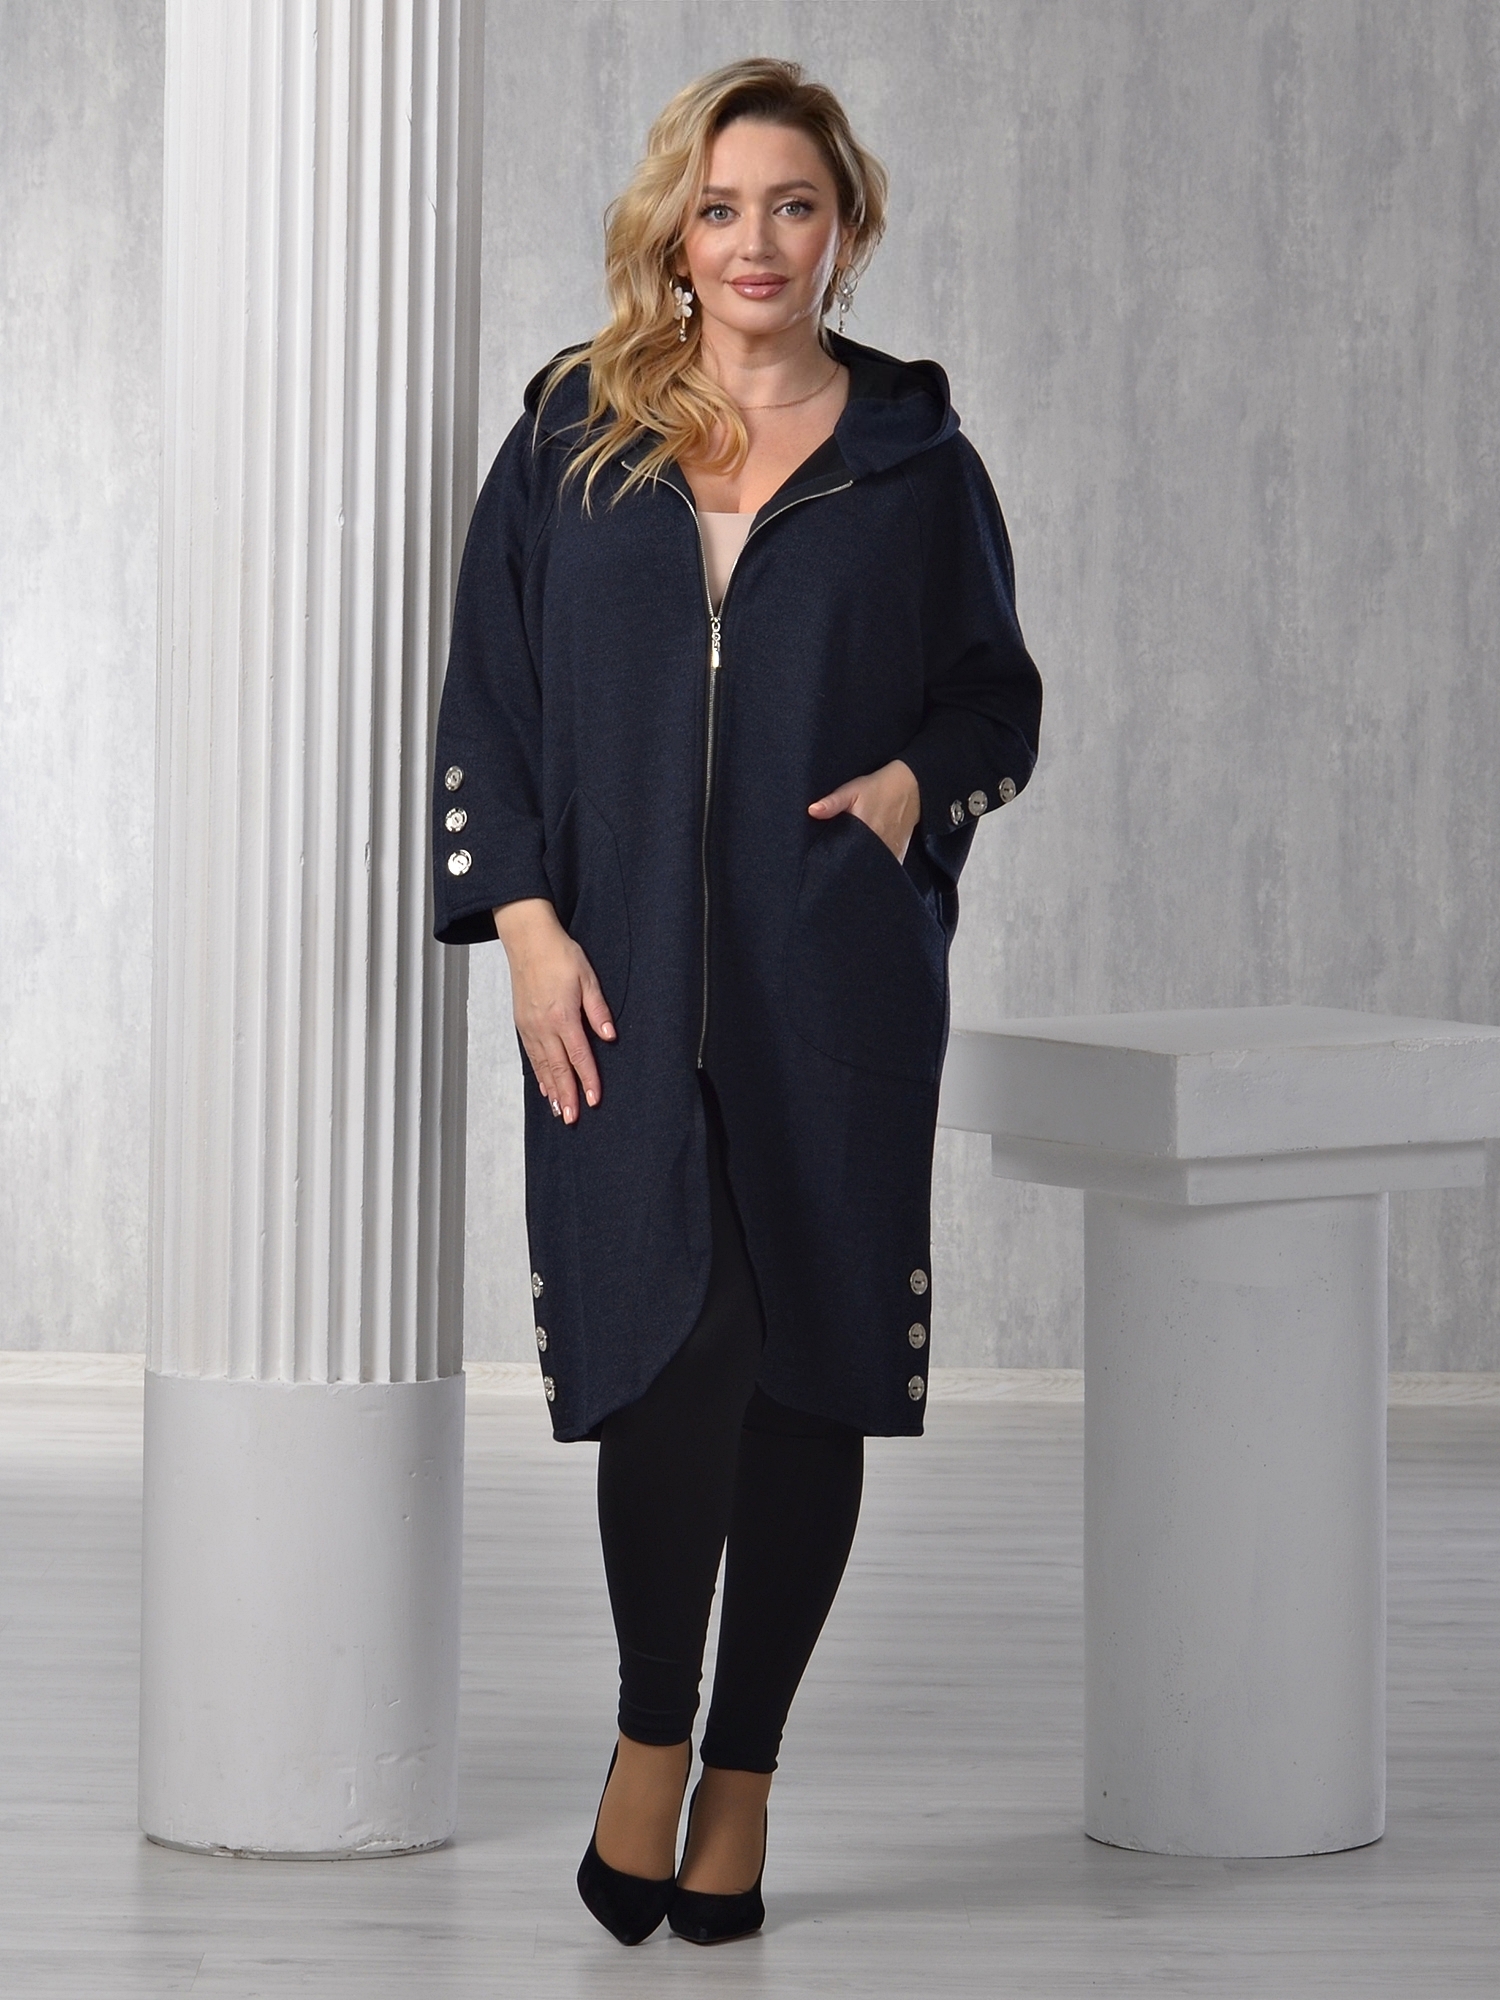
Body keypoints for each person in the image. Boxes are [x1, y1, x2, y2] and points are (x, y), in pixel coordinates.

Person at [431, 56, 1042, 1947]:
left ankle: (746, 1770)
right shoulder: (574, 434)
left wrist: (909, 791)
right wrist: (526, 927)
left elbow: (998, 702)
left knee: (803, 1371)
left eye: (792, 205)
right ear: (674, 235)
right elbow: (487, 699)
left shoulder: (916, 463)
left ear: (844, 226)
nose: (755, 241)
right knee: (672, 1352)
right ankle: (650, 1732)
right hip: (612, 982)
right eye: (720, 207)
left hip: (829, 981)